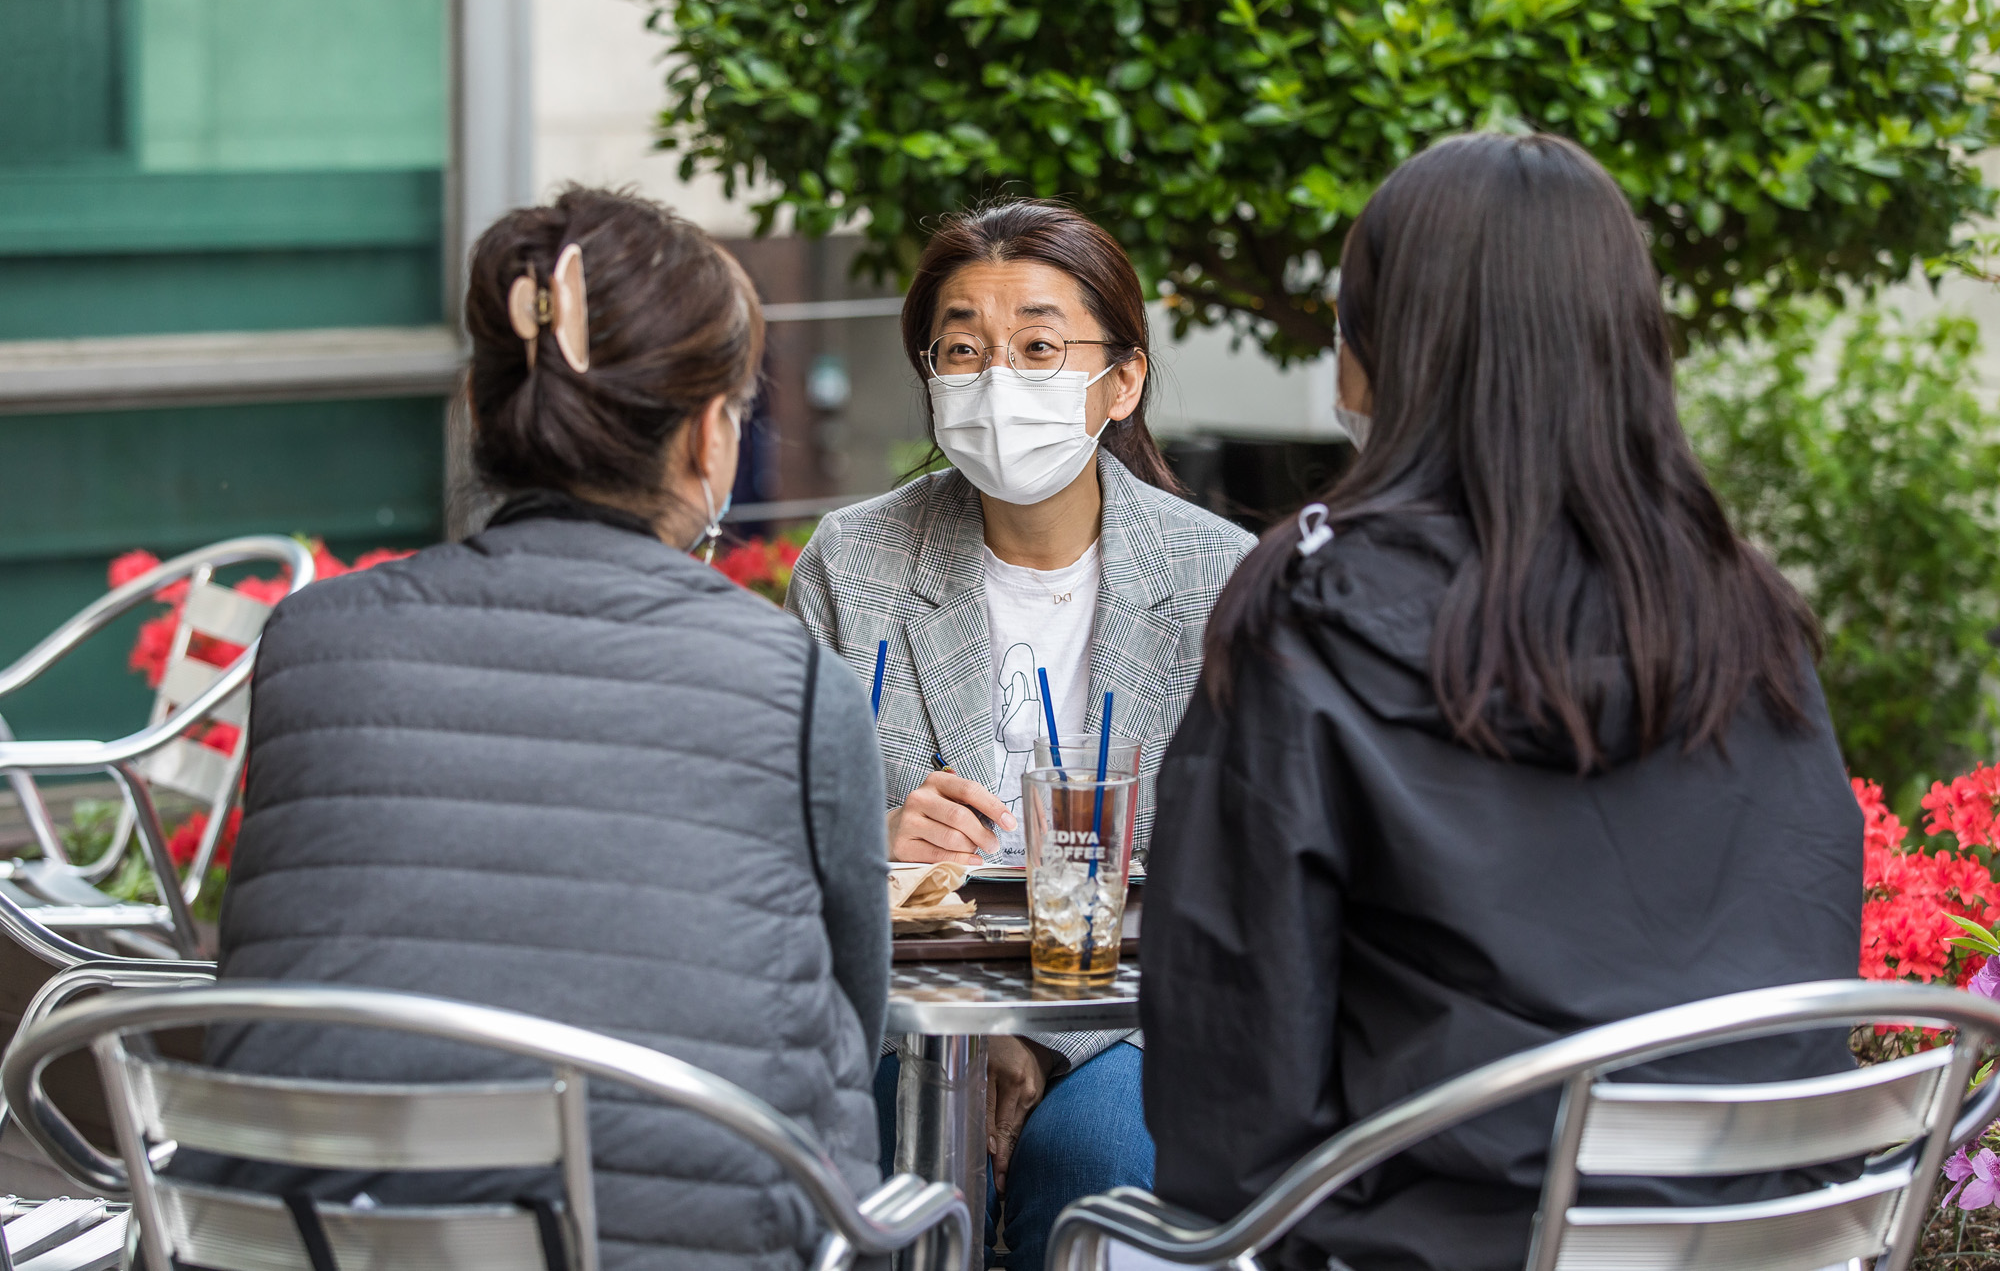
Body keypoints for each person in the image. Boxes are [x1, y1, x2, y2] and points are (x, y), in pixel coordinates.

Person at [1141, 133, 1863, 1271]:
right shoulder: (1750, 616)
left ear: (1379, 352)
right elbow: (1809, 967)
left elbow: (1228, 1107)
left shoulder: (1303, 613)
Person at [184, 187, 891, 1270]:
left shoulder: (310, 642)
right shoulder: (795, 683)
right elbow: (851, 1004)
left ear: (479, 401)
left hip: (309, 1246)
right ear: (711, 438)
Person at [786, 199, 1255, 1269]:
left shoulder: (1218, 579)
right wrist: (879, 842)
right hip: (898, 1014)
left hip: (1130, 1021)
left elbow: (1226, 882)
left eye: (1039, 347)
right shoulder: (852, 567)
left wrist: (1035, 1041)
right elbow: (782, 839)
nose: (998, 380)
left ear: (1121, 378)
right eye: (963, 349)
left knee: (1105, 1156)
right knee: (851, 1146)